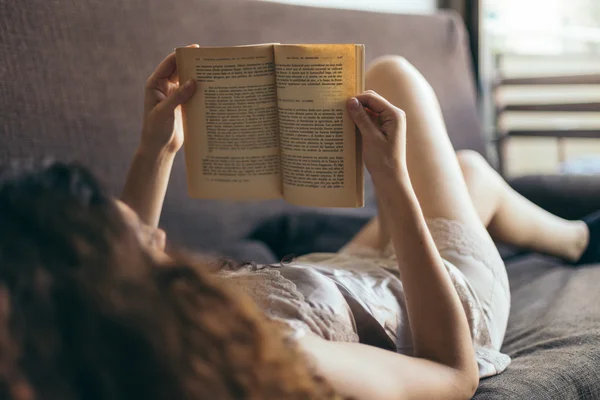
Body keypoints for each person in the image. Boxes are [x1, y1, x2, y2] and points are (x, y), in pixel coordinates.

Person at [0, 46, 598, 400]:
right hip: (443, 296)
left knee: (468, 173)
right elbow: (452, 371)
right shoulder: (272, 349)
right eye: (132, 234)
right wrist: (389, 180)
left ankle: (567, 235)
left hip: (341, 277)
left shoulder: (117, 341)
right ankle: (577, 238)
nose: (155, 233)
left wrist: (155, 151)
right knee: (399, 81)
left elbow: (123, 262)